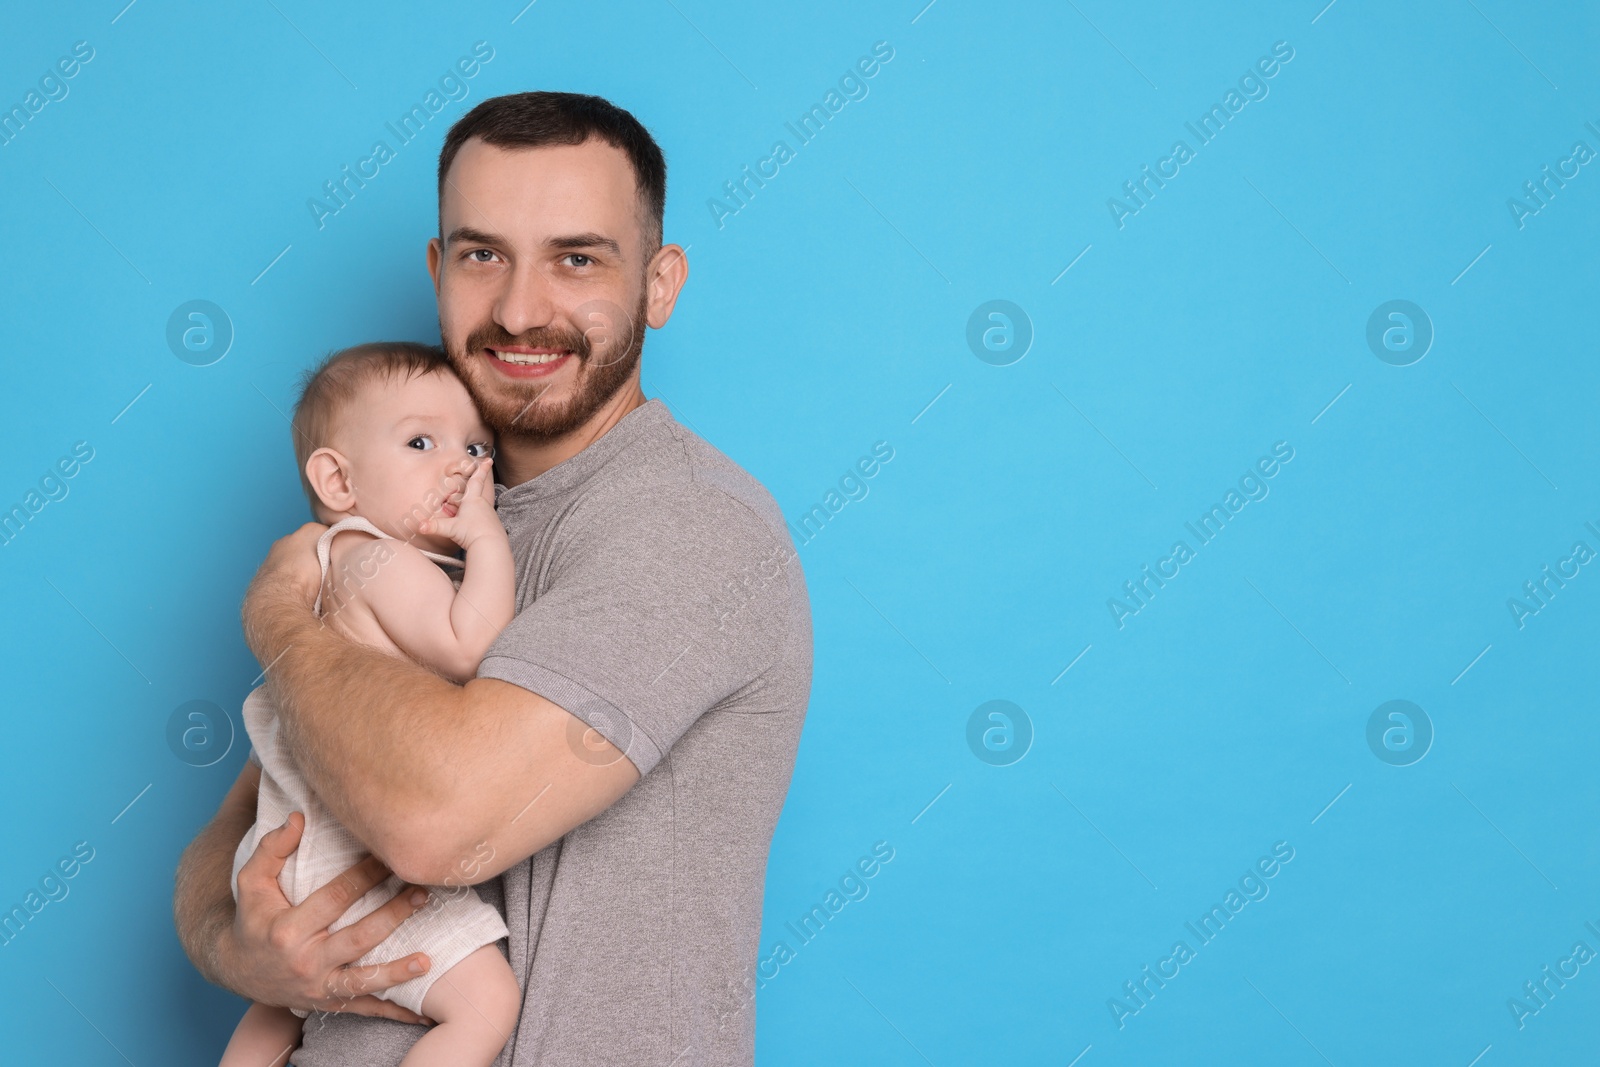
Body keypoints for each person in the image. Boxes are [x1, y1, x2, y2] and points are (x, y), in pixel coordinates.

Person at [172, 90, 813, 1066]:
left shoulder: (690, 526)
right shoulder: (418, 518)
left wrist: (280, 616)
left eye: (577, 257)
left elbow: (441, 831)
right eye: (482, 254)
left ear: (659, 282)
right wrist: (242, 947)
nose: (519, 309)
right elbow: (239, 826)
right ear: (437, 271)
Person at [217, 342, 521, 1067]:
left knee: (283, 999)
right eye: (422, 441)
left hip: (281, 852)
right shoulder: (378, 559)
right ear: (337, 480)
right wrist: (486, 535)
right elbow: (467, 645)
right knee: (487, 1004)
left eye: (476, 446)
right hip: (348, 856)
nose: (461, 464)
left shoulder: (321, 564)